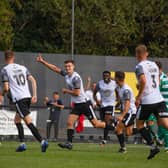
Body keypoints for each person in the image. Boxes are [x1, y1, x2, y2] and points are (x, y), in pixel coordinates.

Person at [37, 54, 115, 150]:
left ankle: (115, 128)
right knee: (70, 123)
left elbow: (77, 93)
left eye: (69, 66)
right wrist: (43, 61)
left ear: (74, 67)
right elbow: (55, 68)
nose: (67, 68)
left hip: (84, 104)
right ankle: (69, 143)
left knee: (96, 124)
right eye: (66, 66)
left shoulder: (75, 78)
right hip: (77, 105)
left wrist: (66, 91)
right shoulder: (66, 75)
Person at [1, 50, 48, 152]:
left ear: (5, 58)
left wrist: (1, 94)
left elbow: (5, 87)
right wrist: (34, 95)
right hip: (27, 97)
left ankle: (42, 141)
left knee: (28, 121)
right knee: (17, 120)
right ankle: (22, 144)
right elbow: (33, 80)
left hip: (19, 99)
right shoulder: (23, 67)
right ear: (13, 57)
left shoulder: (5, 70)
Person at [135, 45, 168, 159]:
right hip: (159, 99)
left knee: (139, 124)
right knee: (166, 124)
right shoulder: (154, 64)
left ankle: (153, 147)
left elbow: (143, 81)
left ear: (137, 55)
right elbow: (157, 81)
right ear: (147, 53)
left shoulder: (139, 66)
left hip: (148, 101)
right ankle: (155, 144)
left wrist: (139, 96)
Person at [115, 71, 137, 153]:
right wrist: (117, 104)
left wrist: (122, 116)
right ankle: (144, 129)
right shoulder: (119, 87)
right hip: (127, 112)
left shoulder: (126, 90)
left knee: (118, 129)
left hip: (130, 112)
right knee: (128, 133)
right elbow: (122, 101)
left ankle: (123, 148)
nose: (114, 80)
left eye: (115, 78)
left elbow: (127, 106)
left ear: (118, 78)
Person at [94, 71, 117, 146]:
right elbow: (94, 93)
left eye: (107, 75)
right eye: (104, 75)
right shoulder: (100, 83)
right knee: (104, 123)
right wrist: (97, 101)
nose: (106, 77)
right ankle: (115, 125)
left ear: (110, 76)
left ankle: (105, 139)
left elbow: (118, 91)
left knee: (107, 121)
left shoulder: (114, 83)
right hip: (103, 105)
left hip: (110, 104)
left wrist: (118, 101)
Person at [155, 61, 168, 152]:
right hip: (160, 105)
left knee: (164, 126)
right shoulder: (159, 78)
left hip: (165, 105)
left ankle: (166, 145)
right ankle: (159, 139)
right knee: (161, 125)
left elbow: (156, 90)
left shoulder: (163, 78)